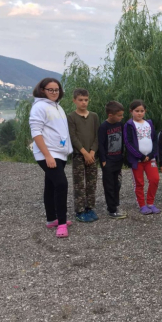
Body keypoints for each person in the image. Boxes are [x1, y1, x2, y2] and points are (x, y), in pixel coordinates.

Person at [29, 78, 73, 238]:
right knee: (61, 184)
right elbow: (36, 133)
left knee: (51, 185)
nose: (54, 92)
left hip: (59, 153)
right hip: (49, 154)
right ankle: (61, 224)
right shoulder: (39, 107)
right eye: (50, 90)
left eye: (57, 89)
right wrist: (47, 155)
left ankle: (51, 219)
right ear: (42, 90)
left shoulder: (57, 107)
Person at [67, 88, 99, 222]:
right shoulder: (71, 117)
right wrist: (84, 153)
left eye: (86, 100)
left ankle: (90, 207)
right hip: (79, 155)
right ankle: (79, 210)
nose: (83, 103)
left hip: (92, 155)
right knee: (79, 183)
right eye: (80, 100)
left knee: (92, 182)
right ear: (74, 101)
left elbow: (97, 135)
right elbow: (73, 137)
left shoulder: (94, 116)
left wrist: (92, 152)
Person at [124, 100, 160, 215]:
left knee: (155, 179)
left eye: (142, 111)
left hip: (150, 159)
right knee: (139, 183)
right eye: (137, 111)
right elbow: (128, 142)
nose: (139, 113)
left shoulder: (149, 123)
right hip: (137, 160)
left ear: (145, 111)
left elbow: (154, 139)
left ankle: (150, 202)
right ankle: (142, 205)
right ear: (131, 111)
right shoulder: (129, 125)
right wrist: (140, 155)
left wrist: (151, 155)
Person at [98, 101, 127, 219]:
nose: (122, 117)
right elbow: (100, 144)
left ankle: (115, 204)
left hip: (118, 159)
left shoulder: (120, 124)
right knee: (109, 185)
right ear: (110, 115)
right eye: (119, 115)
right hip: (108, 161)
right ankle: (112, 210)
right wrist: (103, 159)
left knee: (117, 183)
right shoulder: (103, 127)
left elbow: (124, 140)